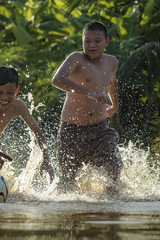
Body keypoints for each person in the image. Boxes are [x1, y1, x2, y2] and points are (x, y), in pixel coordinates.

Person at [52, 21, 122, 194]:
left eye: (97, 41)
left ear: (106, 42)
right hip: (71, 130)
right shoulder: (76, 58)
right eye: (87, 41)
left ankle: (111, 208)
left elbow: (112, 82)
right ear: (82, 42)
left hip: (100, 128)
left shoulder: (112, 62)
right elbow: (57, 80)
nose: (91, 45)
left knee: (113, 167)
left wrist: (115, 105)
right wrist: (89, 92)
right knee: (67, 184)